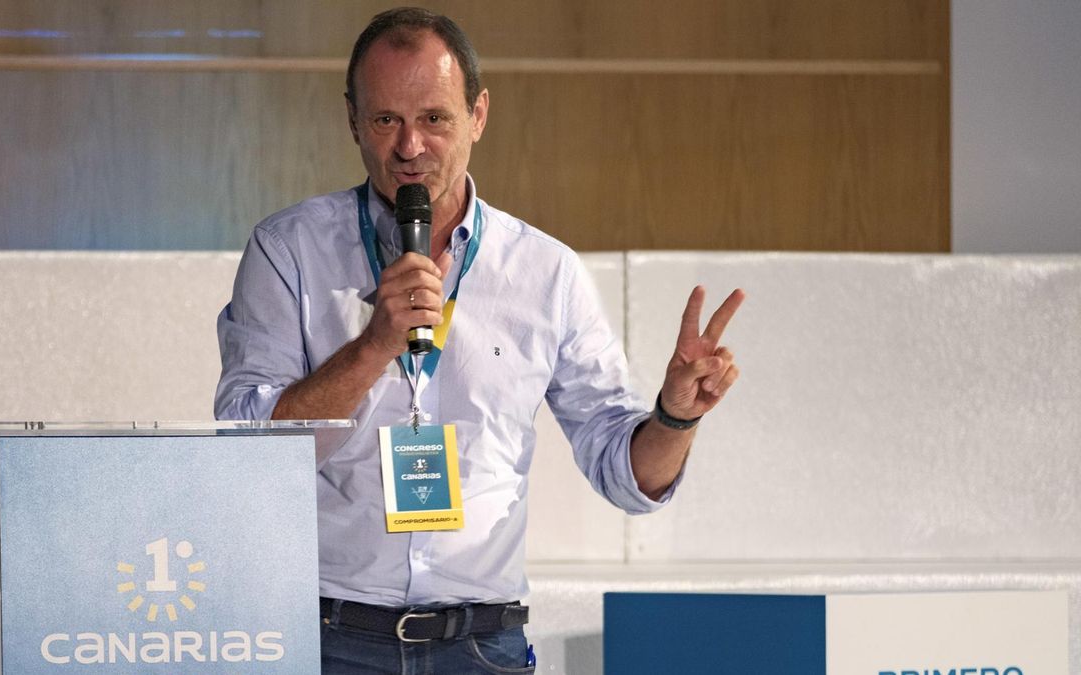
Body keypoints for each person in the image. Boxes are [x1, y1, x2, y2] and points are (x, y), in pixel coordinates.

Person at [215, 7, 744, 673]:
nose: (410, 146)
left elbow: (626, 474)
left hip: (479, 645)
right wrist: (374, 345)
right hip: (325, 637)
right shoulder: (287, 251)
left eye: (434, 118)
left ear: (479, 115)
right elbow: (245, 451)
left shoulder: (545, 273)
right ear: (352, 119)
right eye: (386, 120)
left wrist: (675, 415)